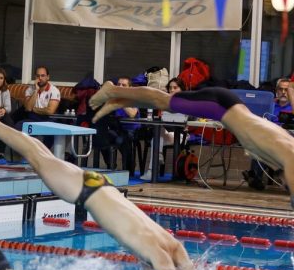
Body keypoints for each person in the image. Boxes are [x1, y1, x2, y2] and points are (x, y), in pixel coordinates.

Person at [0, 113, 194, 270]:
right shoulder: (163, 251)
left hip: (101, 187)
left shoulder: (168, 244)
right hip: (86, 192)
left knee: (43, 154)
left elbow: (175, 266)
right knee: (36, 156)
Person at [90, 81, 294, 206]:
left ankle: (120, 100)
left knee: (162, 101)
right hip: (219, 106)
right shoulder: (288, 154)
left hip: (226, 106)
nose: (285, 186)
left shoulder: (281, 152)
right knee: (163, 101)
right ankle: (112, 90)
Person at [140, 77, 186, 181]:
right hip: (166, 133)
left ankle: (152, 171)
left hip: (180, 134)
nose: (172, 90)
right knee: (157, 136)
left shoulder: (186, 102)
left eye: (175, 87)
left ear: (182, 89)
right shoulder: (164, 102)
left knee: (156, 139)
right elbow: (160, 119)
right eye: (170, 88)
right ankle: (158, 158)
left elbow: (191, 118)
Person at [17, 66, 61, 148]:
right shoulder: (30, 90)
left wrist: (33, 109)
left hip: (48, 119)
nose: (40, 78)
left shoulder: (54, 90)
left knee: (50, 133)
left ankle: (43, 156)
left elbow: (50, 111)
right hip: (33, 118)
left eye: (43, 75)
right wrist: (36, 90)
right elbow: (28, 108)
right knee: (19, 126)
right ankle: (28, 153)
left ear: (48, 77)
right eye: (37, 76)